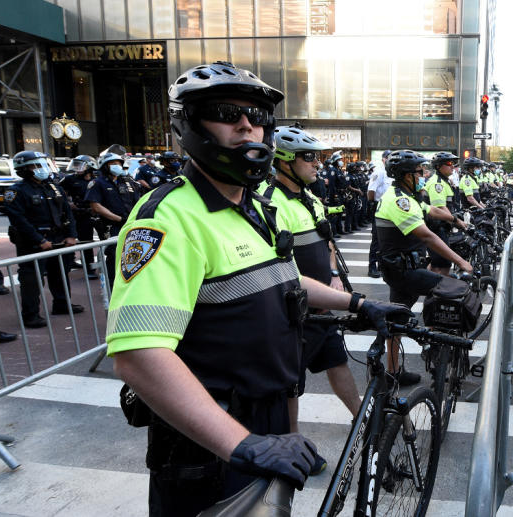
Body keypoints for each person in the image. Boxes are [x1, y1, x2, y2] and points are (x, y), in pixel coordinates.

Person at [106, 61, 410, 516]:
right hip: (209, 438)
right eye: (227, 113)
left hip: (266, 415)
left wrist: (360, 304)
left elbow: (286, 280)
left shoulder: (257, 209)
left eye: (259, 117)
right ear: (188, 126)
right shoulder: (168, 217)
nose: (248, 126)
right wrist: (242, 445)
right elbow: (138, 354)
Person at [264, 125, 362, 423]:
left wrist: (332, 274)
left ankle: (363, 420)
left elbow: (328, 241)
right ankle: (294, 447)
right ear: (284, 160)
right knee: (291, 386)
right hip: (293, 314)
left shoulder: (311, 199)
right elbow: (280, 268)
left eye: (317, 156)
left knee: (338, 361)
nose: (318, 163)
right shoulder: (269, 202)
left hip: (321, 306)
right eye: (309, 157)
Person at [375, 150, 473, 386]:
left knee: (395, 321)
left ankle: (393, 372)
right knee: (452, 289)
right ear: (406, 175)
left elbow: (433, 211)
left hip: (401, 268)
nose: (424, 174)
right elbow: (427, 237)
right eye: (420, 171)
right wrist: (461, 262)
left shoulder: (409, 196)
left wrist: (456, 220)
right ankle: (435, 345)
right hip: (403, 272)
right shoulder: (399, 201)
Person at [5, 151, 84, 328]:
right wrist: (40, 240)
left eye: (42, 164)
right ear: (24, 169)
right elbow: (19, 220)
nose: (42, 168)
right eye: (36, 165)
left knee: (60, 273)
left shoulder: (53, 187)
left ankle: (62, 304)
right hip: (33, 242)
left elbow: (67, 212)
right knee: (32, 279)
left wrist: (71, 234)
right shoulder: (17, 191)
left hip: (58, 238)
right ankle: (31, 315)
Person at [85, 151, 142, 286]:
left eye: (118, 163)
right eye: (113, 164)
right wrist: (118, 219)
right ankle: (113, 288)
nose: (117, 166)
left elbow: (138, 201)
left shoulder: (127, 182)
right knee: (115, 258)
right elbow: (96, 206)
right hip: (112, 226)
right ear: (105, 166)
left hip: (132, 224)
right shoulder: (97, 183)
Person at [424, 151, 468, 276]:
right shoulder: (437, 183)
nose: (452, 166)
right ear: (438, 166)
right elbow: (440, 208)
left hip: (441, 227)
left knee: (436, 262)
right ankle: (438, 293)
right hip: (436, 228)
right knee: (443, 264)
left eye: (453, 164)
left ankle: (430, 287)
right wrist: (457, 222)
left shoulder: (444, 181)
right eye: (449, 163)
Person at [59, 154, 99, 273]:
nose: (77, 168)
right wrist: (68, 203)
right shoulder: (69, 179)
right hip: (80, 214)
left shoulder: (98, 179)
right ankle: (89, 269)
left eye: (80, 165)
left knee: (105, 240)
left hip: (97, 212)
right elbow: (60, 194)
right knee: (85, 241)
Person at [366, 151, 393, 278]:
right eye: (389, 158)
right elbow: (371, 191)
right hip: (379, 207)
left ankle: (382, 266)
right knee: (377, 239)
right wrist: (373, 204)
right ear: (384, 159)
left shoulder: (391, 173)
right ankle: (372, 267)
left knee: (387, 239)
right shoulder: (379, 172)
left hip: (390, 208)